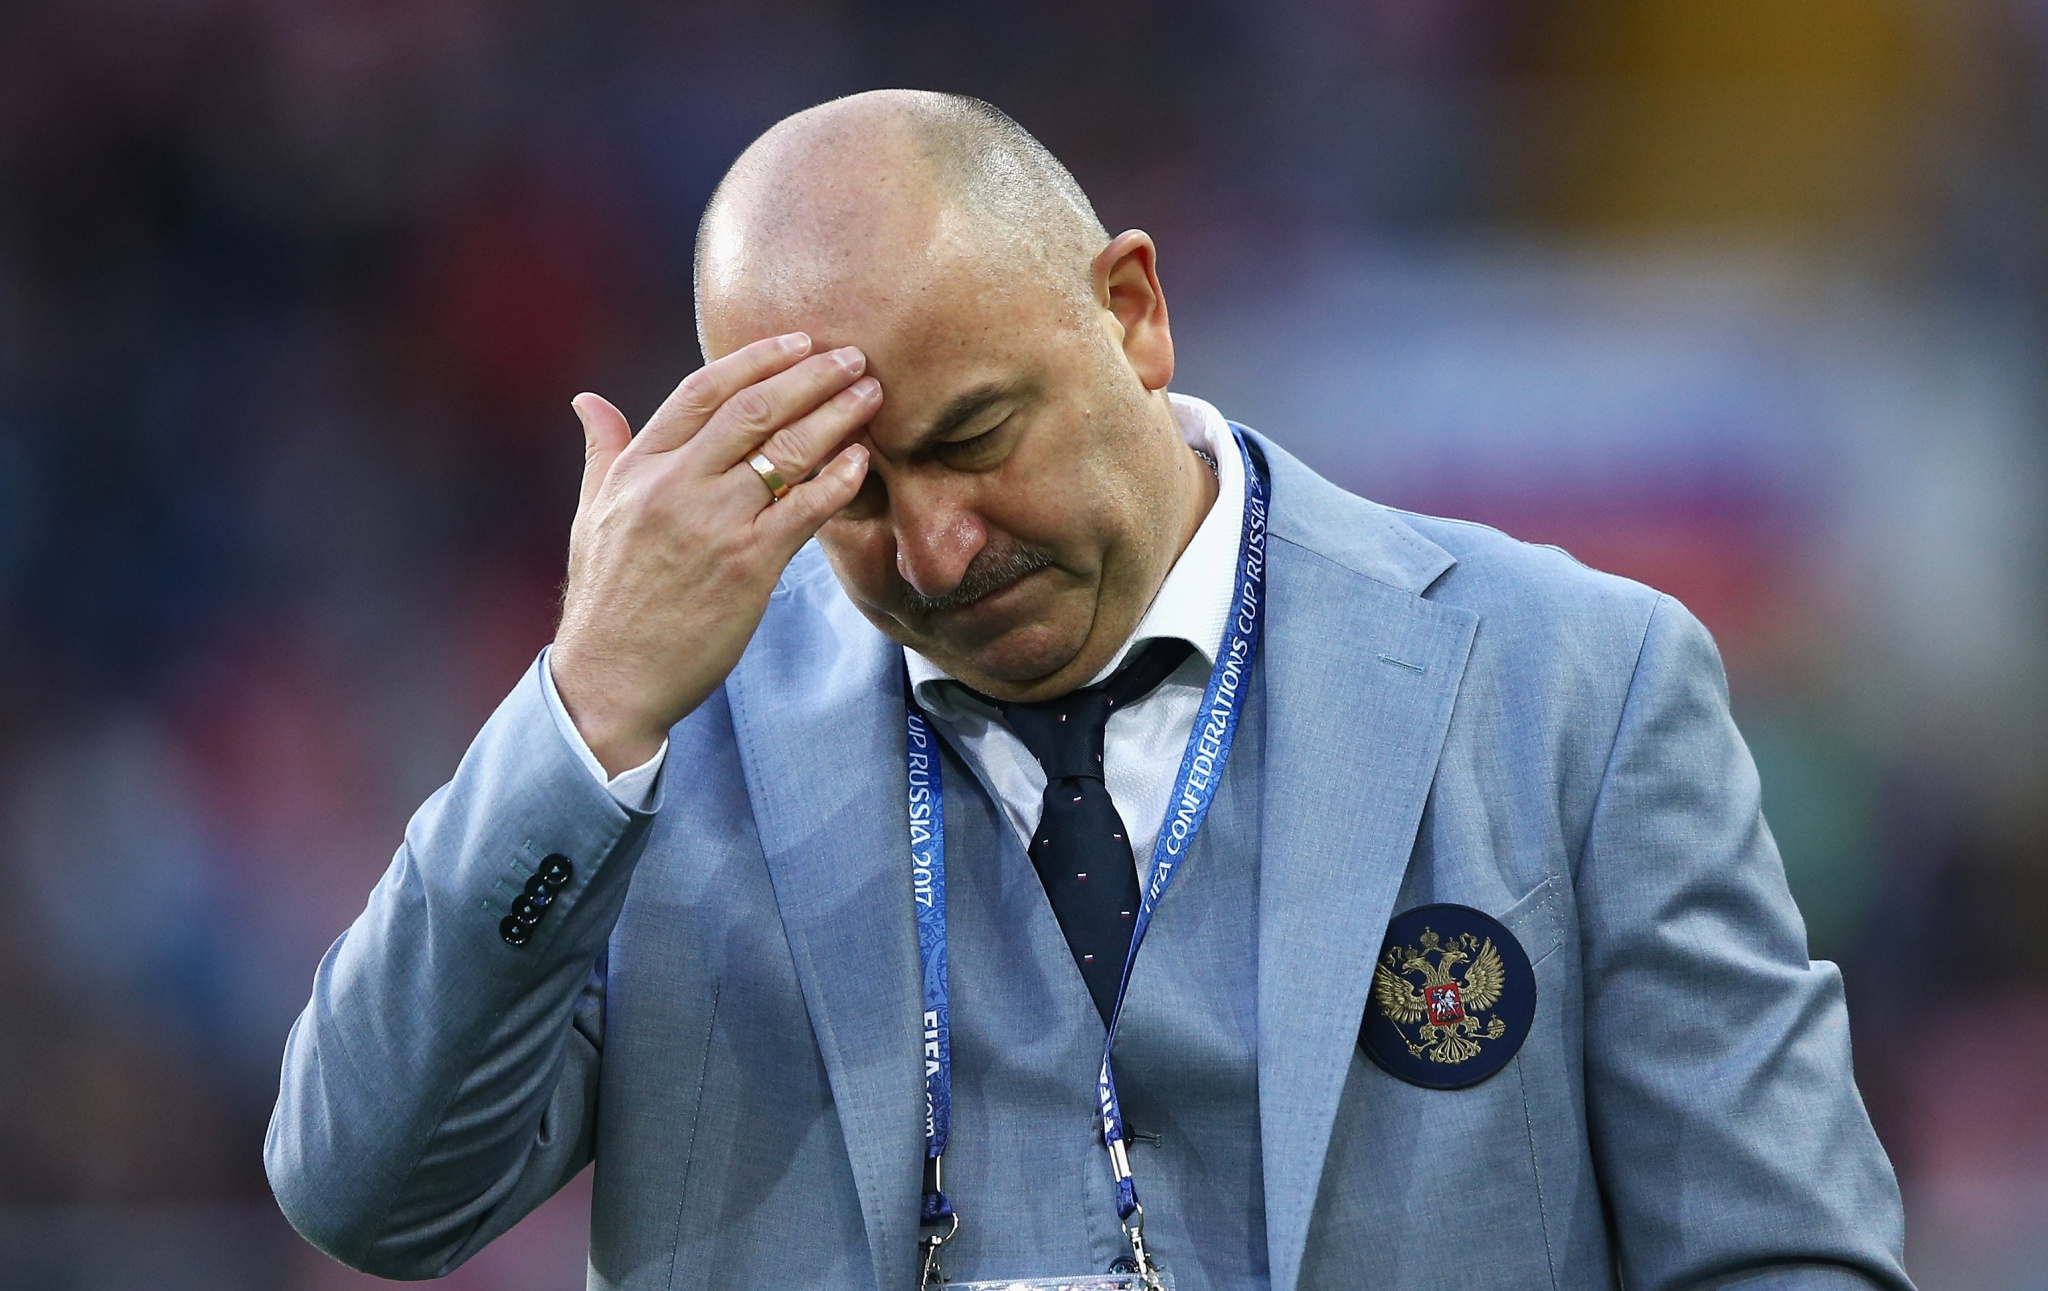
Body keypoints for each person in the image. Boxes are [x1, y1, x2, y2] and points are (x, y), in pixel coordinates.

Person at [265, 90, 1912, 1291]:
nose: (938, 545)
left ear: (1132, 313)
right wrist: (589, 706)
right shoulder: (656, 744)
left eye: (978, 436)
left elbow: (1785, 1257)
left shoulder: (1574, 686)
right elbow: (369, 1192)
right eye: (850, 489)